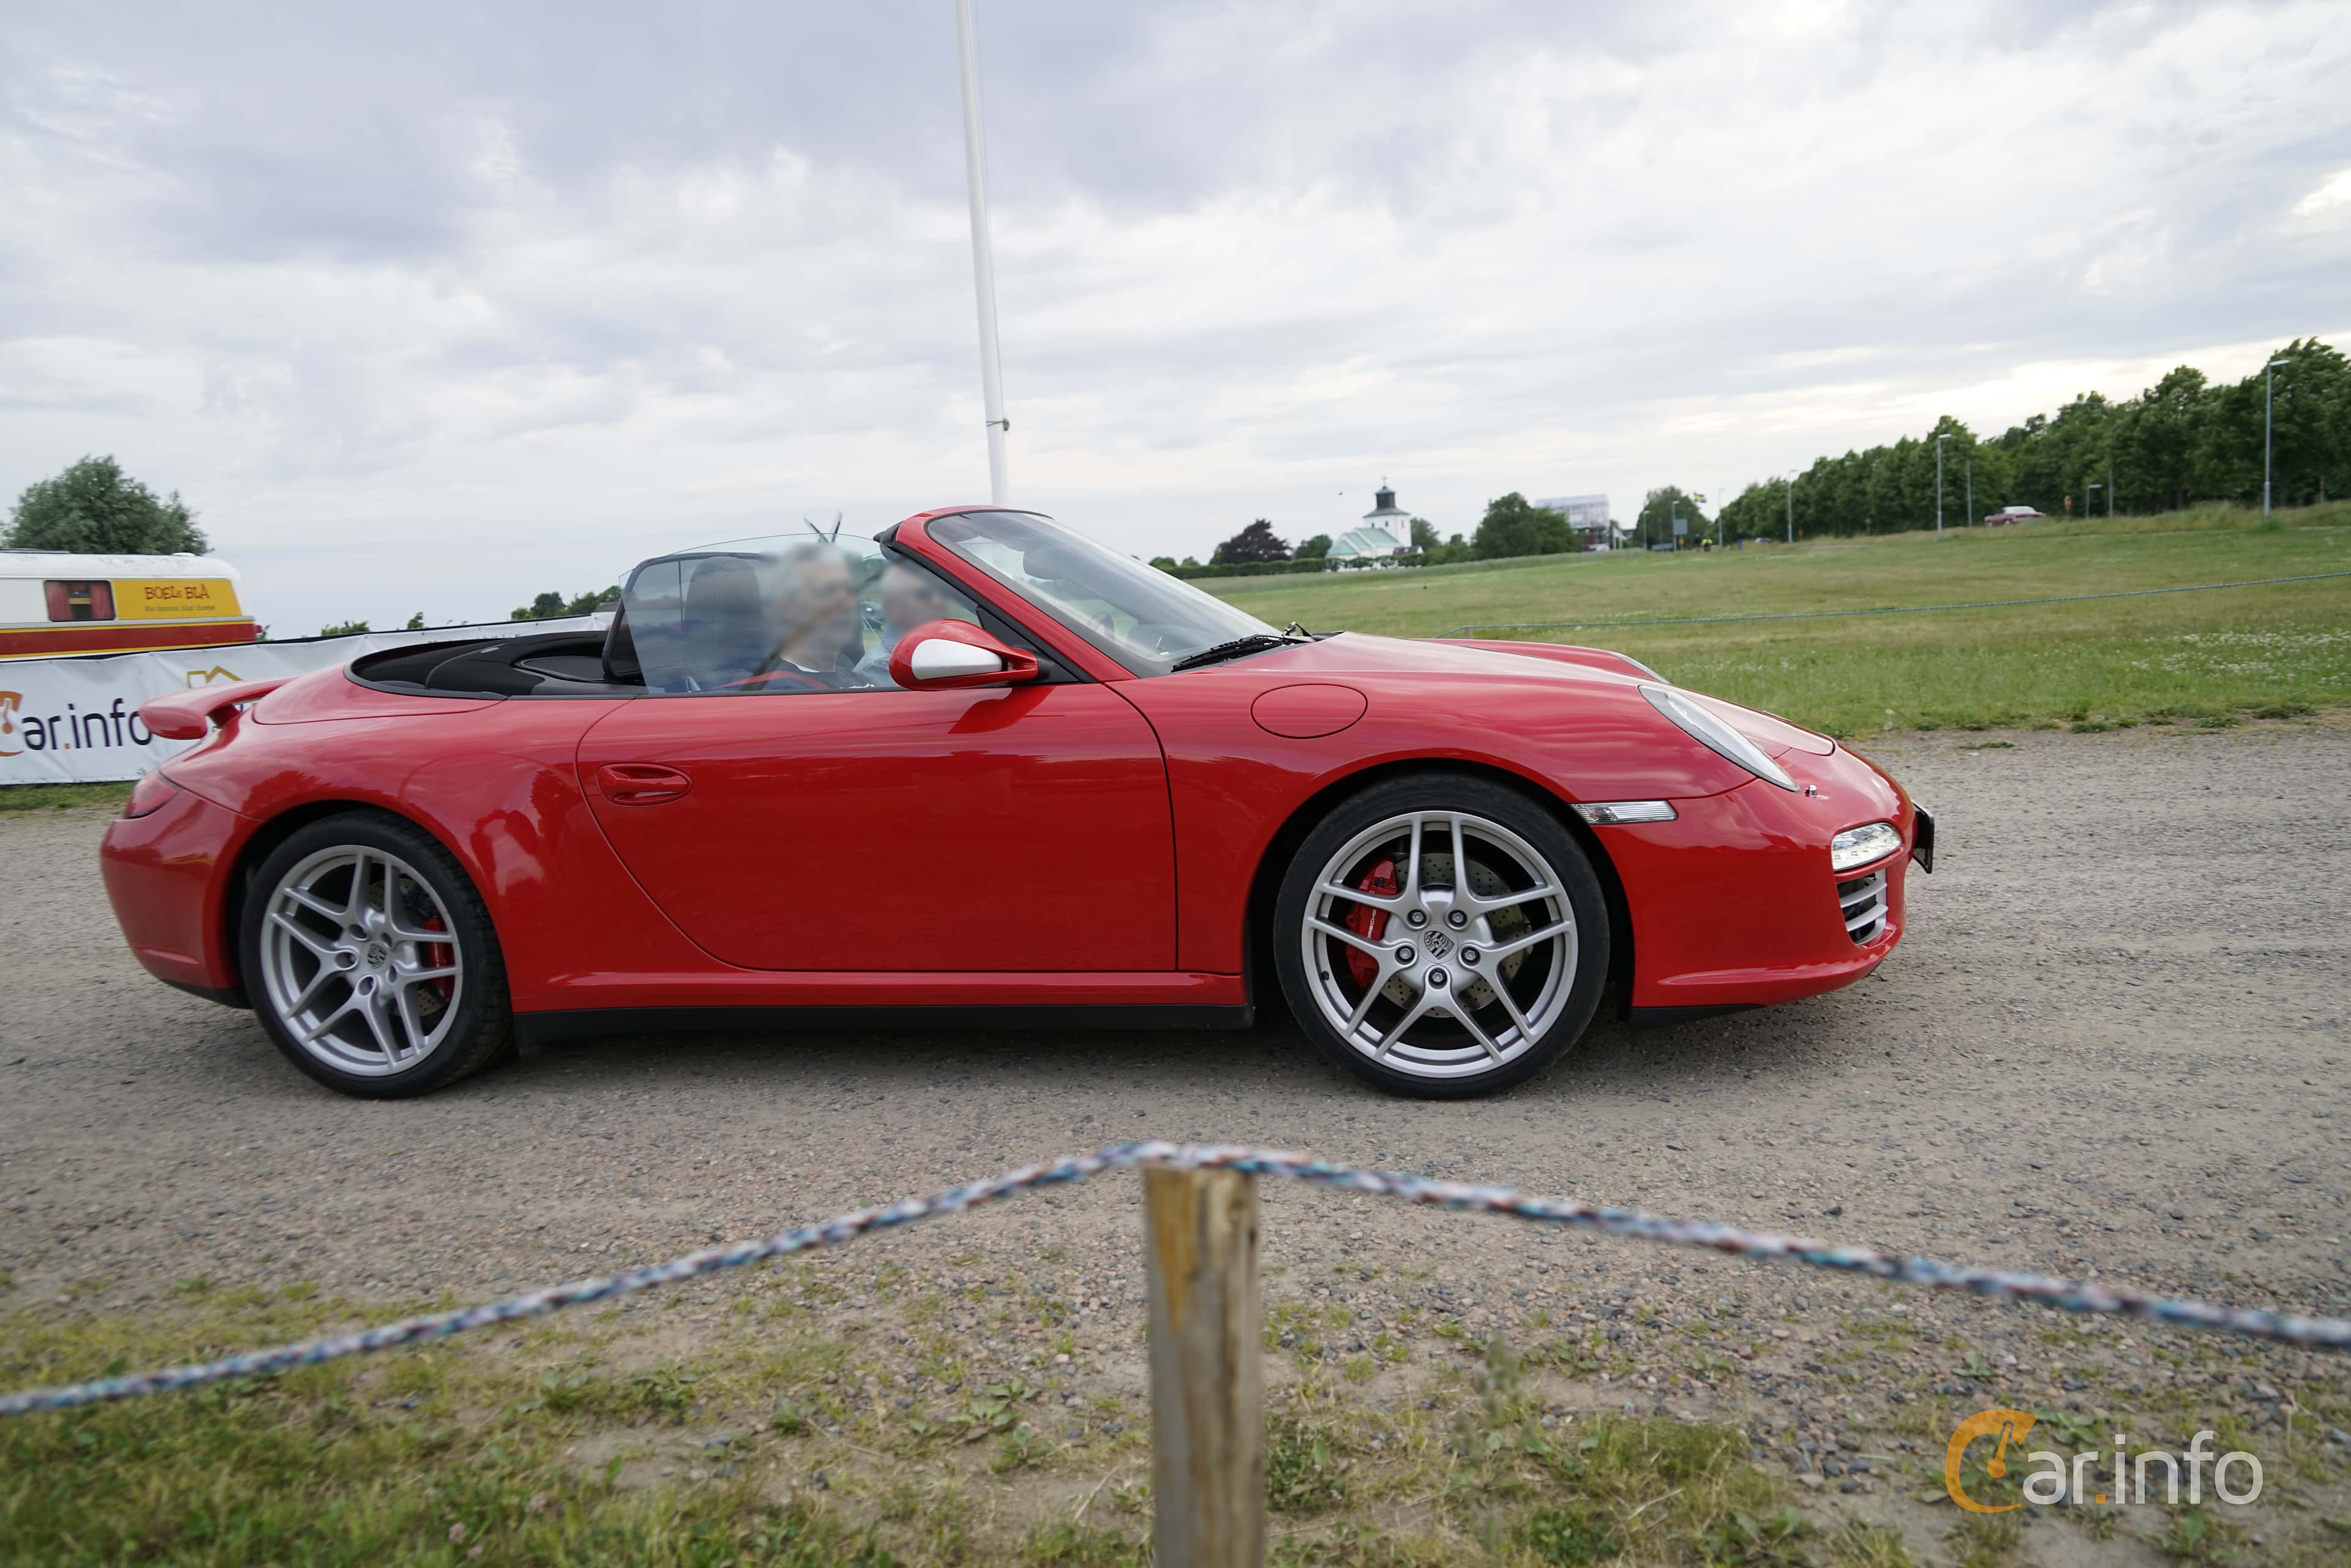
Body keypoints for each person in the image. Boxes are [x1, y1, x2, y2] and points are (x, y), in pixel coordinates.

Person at [853, 563, 960, 686]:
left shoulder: (935, 648)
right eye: (924, 595)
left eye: (944, 594)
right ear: (893, 608)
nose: (939, 602)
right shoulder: (881, 668)